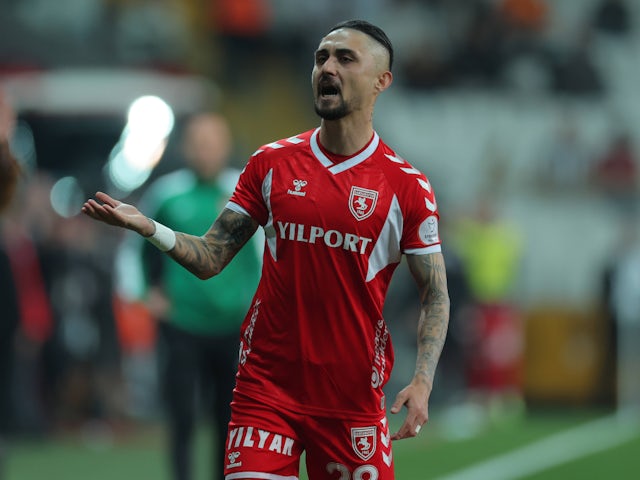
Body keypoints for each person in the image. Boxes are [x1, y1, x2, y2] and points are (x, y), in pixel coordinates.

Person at [83, 20, 450, 480]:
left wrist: (423, 380)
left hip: (350, 396)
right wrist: (150, 228)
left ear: (382, 81)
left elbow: (435, 292)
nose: (327, 67)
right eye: (321, 57)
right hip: (266, 389)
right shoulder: (271, 164)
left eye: (345, 58)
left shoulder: (406, 187)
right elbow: (212, 256)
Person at [115, 113, 262, 480]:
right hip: (181, 323)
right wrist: (144, 294)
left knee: (227, 417)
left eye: (212, 142)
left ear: (225, 145)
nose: (205, 150)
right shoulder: (166, 194)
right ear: (186, 147)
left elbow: (263, 254)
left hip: (232, 325)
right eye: (198, 142)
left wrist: (259, 308)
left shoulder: (242, 193)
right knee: (181, 415)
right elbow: (132, 249)